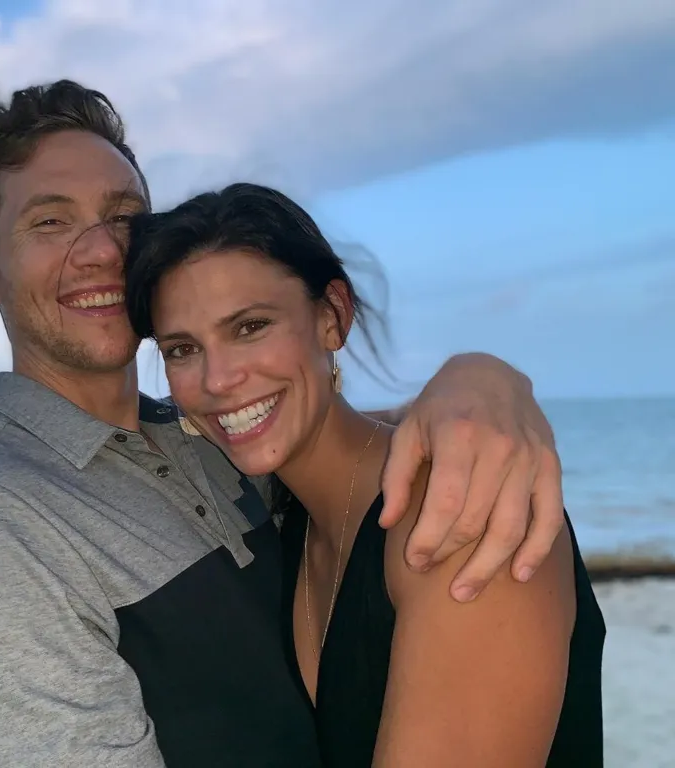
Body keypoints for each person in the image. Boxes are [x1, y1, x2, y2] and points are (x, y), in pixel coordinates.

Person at [0, 80, 567, 767]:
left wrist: (478, 381)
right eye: (49, 222)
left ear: (332, 314)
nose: (101, 251)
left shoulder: (219, 446)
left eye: (123, 216)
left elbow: (341, 441)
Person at [123, 182, 605, 767]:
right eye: (181, 349)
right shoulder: (284, 515)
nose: (218, 379)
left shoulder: (458, 514)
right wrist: (478, 375)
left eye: (250, 327)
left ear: (333, 316)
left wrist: (482, 375)